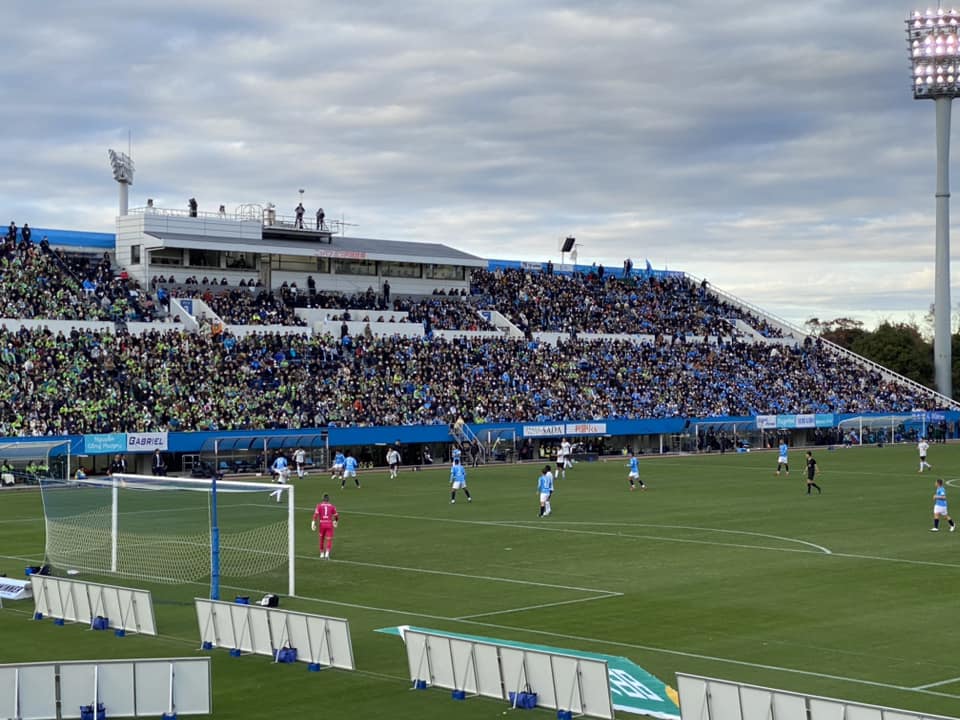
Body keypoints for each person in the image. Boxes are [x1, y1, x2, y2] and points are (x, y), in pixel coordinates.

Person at [311, 493, 339, 559]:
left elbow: (315, 515)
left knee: (321, 539)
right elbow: (336, 516)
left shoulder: (319, 506)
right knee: (329, 539)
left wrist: (313, 523)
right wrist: (335, 521)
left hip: (322, 524)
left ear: (322, 499)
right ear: (328, 499)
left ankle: (321, 553)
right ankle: (327, 553)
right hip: (329, 524)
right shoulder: (332, 506)